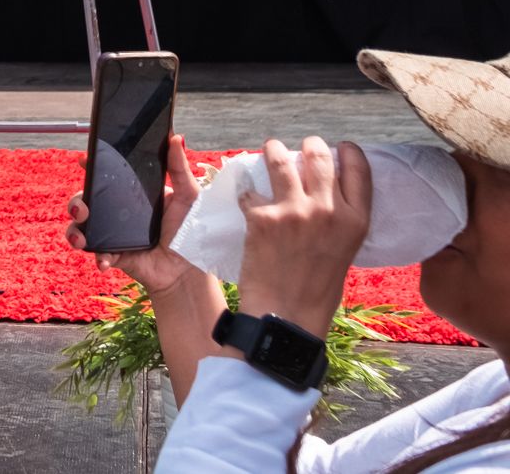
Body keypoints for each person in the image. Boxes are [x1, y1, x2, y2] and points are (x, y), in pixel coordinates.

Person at [64, 49, 510, 472]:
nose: (456, 175)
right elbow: (301, 468)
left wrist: (281, 326)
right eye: (458, 149)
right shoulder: (495, 393)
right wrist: (181, 278)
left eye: (494, 166)